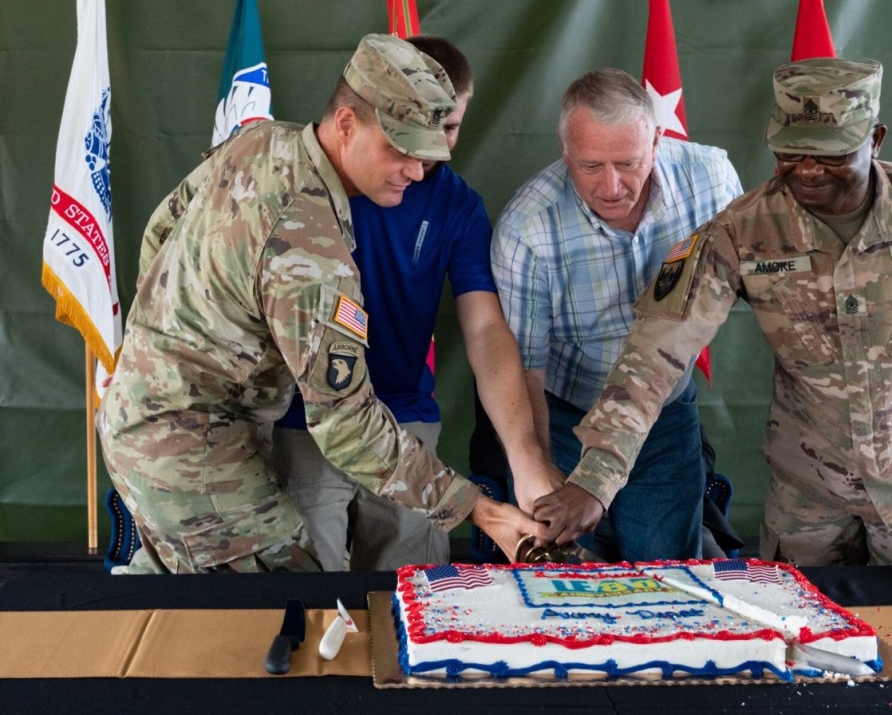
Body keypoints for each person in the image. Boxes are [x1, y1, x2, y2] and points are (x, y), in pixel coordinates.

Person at [534, 57, 892, 566]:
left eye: (830, 155)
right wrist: (596, 481)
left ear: (875, 139)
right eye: (791, 153)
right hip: (808, 495)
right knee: (801, 633)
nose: (808, 170)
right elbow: (655, 352)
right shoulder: (743, 231)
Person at [99, 33, 543, 573]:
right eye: (398, 149)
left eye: (425, 153)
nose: (415, 170)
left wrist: (166, 338)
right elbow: (348, 426)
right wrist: (480, 510)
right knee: (287, 599)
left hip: (152, 414)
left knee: (188, 594)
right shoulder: (310, 249)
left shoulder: (260, 142)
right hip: (191, 445)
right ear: (346, 124)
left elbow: (163, 227)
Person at [266, 35, 558, 572]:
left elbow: (486, 332)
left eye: (447, 130)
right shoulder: (296, 189)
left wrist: (526, 457)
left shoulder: (456, 204)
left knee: (419, 592)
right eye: (410, 138)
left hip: (404, 420)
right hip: (305, 419)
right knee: (304, 593)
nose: (428, 156)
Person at [491, 68, 743, 562]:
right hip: (567, 416)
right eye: (590, 166)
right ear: (565, 152)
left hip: (665, 415)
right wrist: (539, 467)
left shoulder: (712, 179)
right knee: (567, 580)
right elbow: (525, 368)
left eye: (628, 163)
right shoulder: (527, 229)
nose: (611, 186)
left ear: (656, 141)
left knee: (668, 573)